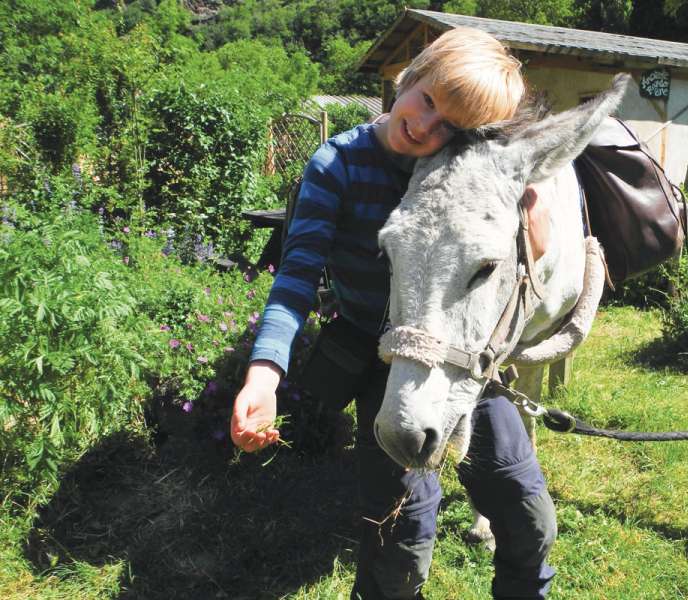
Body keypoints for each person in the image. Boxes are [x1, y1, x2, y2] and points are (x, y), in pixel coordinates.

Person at [231, 27, 555, 599]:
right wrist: (265, 372)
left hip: (461, 358)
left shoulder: (467, 164)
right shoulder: (336, 165)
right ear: (409, 76)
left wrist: (533, 228)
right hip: (383, 361)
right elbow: (297, 276)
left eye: (451, 125)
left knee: (526, 512)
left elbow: (510, 250)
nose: (428, 127)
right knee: (401, 531)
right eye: (428, 101)